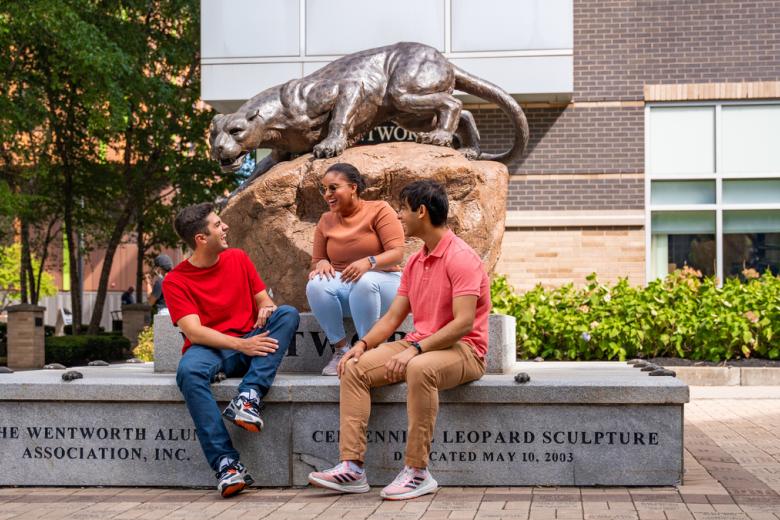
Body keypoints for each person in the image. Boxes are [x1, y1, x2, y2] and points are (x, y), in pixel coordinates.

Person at [307, 180, 490, 500]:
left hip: (464, 350)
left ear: (421, 211)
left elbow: (463, 323)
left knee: (420, 368)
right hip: (421, 343)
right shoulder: (417, 261)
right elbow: (392, 318)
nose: (399, 215)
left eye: (403, 209)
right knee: (354, 367)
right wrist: (361, 346)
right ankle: (351, 467)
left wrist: (416, 349)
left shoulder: (461, 257)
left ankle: (417, 472)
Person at [163, 202, 300, 498]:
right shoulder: (175, 280)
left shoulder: (238, 258)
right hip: (212, 348)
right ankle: (226, 465)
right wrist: (242, 344)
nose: (225, 227)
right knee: (188, 372)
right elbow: (194, 331)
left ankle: (248, 397)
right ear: (201, 239)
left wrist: (266, 308)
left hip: (249, 341)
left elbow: (265, 300)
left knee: (287, 314)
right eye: (217, 224)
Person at [306, 163, 405, 376]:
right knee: (316, 284)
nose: (327, 195)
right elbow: (317, 261)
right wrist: (322, 263)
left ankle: (368, 351)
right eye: (324, 189)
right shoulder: (326, 220)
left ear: (353, 187)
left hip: (385, 283)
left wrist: (368, 263)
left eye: (333, 188)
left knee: (365, 280)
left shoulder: (379, 209)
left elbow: (397, 253)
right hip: (348, 288)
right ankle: (341, 350)